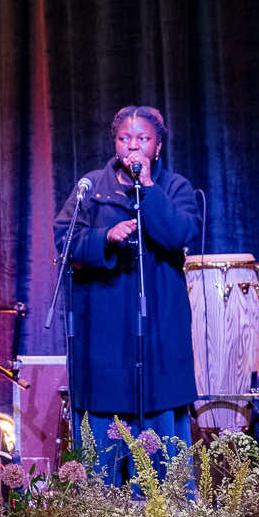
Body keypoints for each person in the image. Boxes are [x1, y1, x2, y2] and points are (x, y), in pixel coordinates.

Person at [53, 104, 199, 484]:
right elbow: (64, 241)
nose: (133, 147)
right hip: (103, 334)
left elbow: (178, 234)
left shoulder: (174, 187)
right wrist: (106, 237)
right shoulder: (91, 187)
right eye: (125, 139)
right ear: (114, 142)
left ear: (158, 146)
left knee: (162, 436)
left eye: (143, 140)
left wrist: (149, 189)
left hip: (159, 334)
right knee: (102, 436)